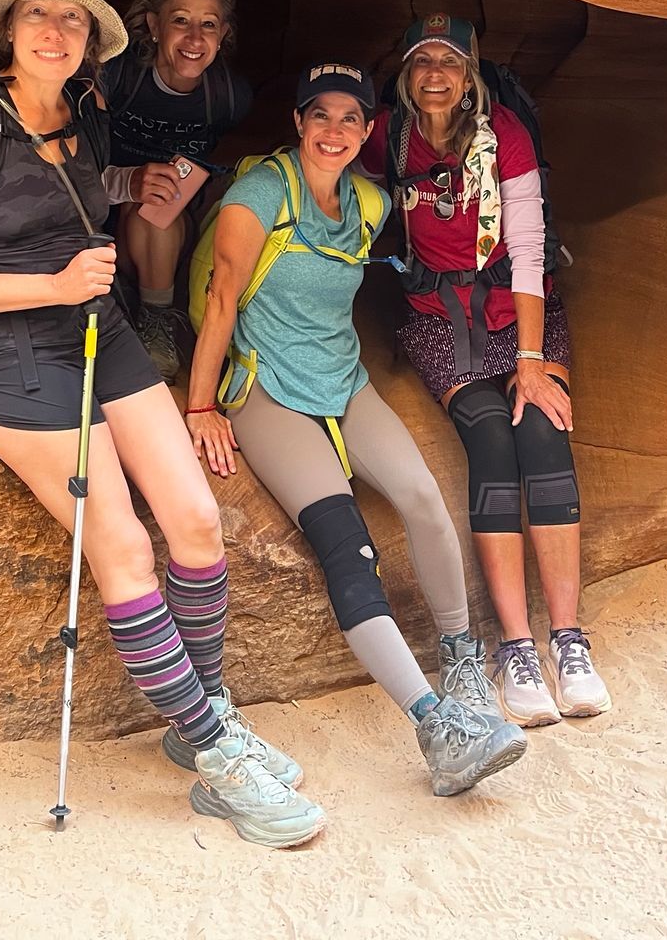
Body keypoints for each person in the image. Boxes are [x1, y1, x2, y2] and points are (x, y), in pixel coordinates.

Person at [0, 0, 322, 848]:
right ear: (8, 29)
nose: (53, 32)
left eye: (71, 19)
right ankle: (218, 755)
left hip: (94, 327)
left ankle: (203, 716)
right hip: (4, 344)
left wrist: (146, 190)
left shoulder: (85, 114)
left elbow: (89, 197)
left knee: (198, 521)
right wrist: (53, 286)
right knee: (125, 544)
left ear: (94, 39)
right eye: (36, 15)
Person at [184, 60, 527, 797]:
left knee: (424, 498)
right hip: (268, 388)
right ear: (299, 123)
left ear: (369, 130)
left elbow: (448, 236)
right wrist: (200, 406)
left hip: (343, 378)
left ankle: (461, 658)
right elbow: (220, 302)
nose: (333, 130)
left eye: (350, 118)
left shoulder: (369, 204)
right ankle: (436, 724)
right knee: (348, 543)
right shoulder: (258, 197)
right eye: (320, 115)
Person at [365, 14, 611, 725]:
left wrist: (532, 363)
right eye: (422, 62)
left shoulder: (504, 131)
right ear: (407, 75)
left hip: (522, 311)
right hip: (440, 319)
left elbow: (529, 246)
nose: (435, 75)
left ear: (471, 71)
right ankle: (515, 645)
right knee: (489, 437)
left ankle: (567, 637)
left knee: (542, 432)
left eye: (449, 61)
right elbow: (337, 178)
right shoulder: (391, 137)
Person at [101, 0, 253, 381]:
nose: (194, 38)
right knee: (145, 200)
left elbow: (231, 164)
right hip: (98, 222)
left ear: (223, 35)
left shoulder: (226, 97)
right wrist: (127, 182)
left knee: (158, 206)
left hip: (169, 234)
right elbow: (67, 162)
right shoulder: (117, 76)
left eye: (208, 24)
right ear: (153, 25)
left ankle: (157, 318)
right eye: (180, 21)